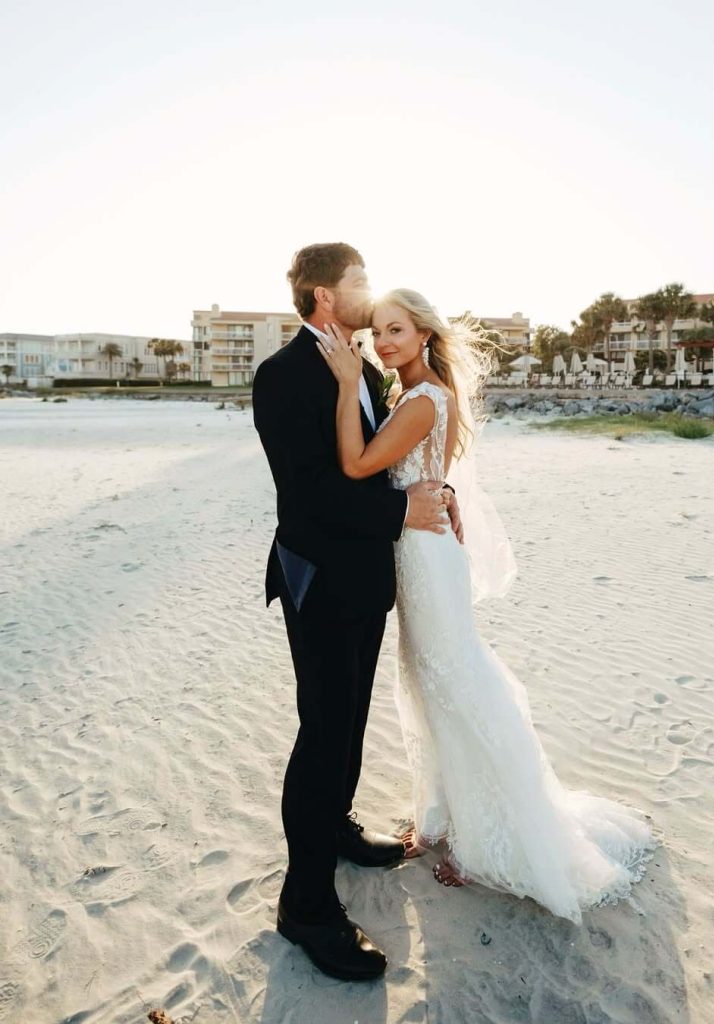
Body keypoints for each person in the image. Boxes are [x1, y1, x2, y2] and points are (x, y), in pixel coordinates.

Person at [316, 288, 657, 925]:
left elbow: (357, 464)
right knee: (433, 685)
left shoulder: (421, 401)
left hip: (426, 560)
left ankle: (488, 846)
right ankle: (446, 815)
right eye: (377, 333)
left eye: (396, 331)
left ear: (423, 336)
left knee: (458, 685)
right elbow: (433, 478)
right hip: (423, 557)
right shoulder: (422, 395)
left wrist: (342, 384)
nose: (383, 343)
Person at [252, 244, 462, 982]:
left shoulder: (363, 366)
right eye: (359, 284)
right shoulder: (281, 376)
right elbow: (307, 496)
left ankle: (335, 829)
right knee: (322, 730)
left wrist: (425, 494)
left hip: (366, 579)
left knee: (347, 720)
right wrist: (400, 508)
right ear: (323, 299)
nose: (369, 295)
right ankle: (305, 907)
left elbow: (384, 451)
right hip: (320, 582)